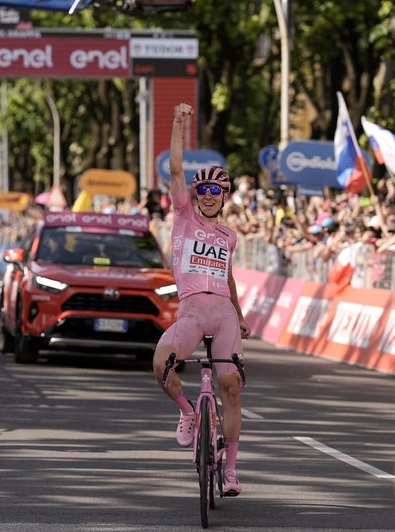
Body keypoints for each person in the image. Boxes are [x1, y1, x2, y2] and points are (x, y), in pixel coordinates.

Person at [152, 102, 251, 497]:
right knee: (161, 363)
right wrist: (177, 123)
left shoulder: (228, 236)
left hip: (223, 313)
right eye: (204, 189)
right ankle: (189, 413)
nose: (209, 196)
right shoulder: (183, 217)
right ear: (196, 194)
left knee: (231, 387)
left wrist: (240, 316)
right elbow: (176, 169)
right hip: (192, 309)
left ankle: (230, 472)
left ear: (224, 195)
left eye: (217, 190)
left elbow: (228, 277)